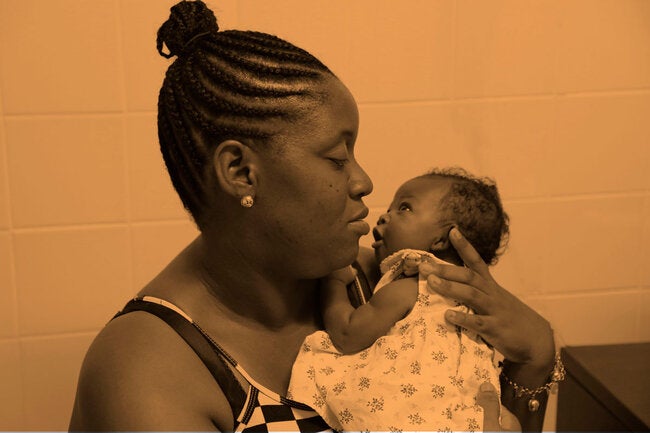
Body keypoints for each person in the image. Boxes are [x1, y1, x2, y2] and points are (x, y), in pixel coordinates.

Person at [68, 1, 559, 431]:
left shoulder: (374, 280)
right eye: (337, 157)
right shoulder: (148, 370)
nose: (364, 181)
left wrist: (535, 357)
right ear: (241, 172)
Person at [288, 168, 520, 431]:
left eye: (405, 208)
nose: (384, 216)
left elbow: (346, 334)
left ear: (441, 240)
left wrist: (334, 281)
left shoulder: (413, 289)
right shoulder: (475, 309)